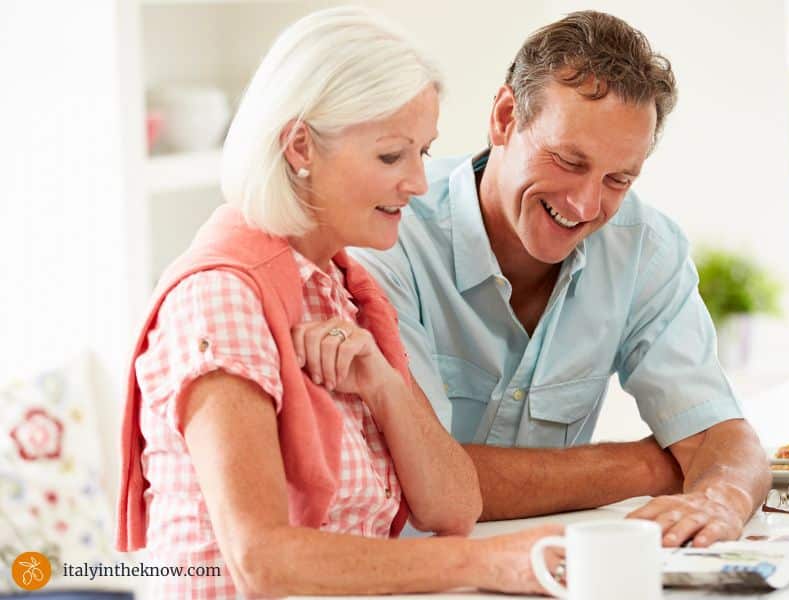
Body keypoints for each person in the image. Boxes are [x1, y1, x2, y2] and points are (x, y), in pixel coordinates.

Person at [115, 8, 560, 598]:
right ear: (300, 145)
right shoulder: (222, 299)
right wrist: (483, 564)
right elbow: (262, 560)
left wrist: (383, 384)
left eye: (421, 154)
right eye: (389, 156)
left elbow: (454, 507)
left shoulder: (345, 289)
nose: (418, 183)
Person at [347, 10, 772, 549]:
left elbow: (721, 438)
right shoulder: (389, 232)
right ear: (505, 118)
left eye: (618, 179)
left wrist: (722, 500)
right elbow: (422, 478)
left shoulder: (644, 246)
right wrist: (650, 464)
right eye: (569, 161)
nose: (587, 205)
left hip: (552, 570)